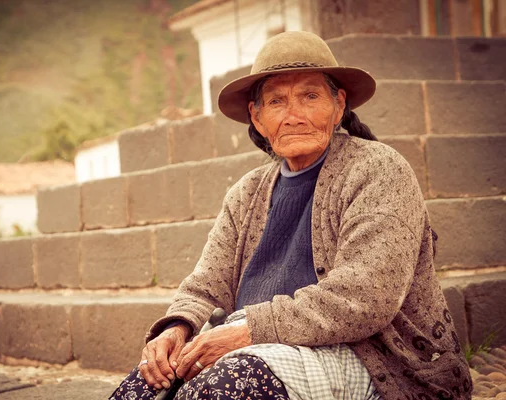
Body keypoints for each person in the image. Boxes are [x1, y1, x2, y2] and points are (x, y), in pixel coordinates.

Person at [110, 31, 471, 400]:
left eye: (310, 96)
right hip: (257, 346)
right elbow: (207, 284)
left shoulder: (379, 170)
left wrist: (249, 331)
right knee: (140, 388)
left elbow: (365, 297)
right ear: (258, 117)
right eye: (276, 101)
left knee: (223, 388)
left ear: (339, 105)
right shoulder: (246, 193)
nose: (293, 115)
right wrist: (177, 327)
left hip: (368, 356)